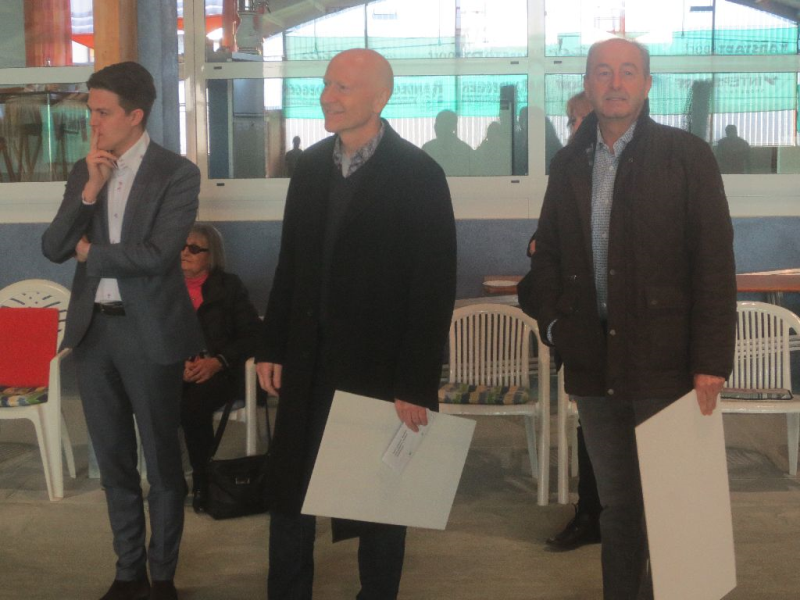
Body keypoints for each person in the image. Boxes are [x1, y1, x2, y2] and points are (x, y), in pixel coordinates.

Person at [526, 38, 736, 599]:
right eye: (602, 72)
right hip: (595, 365)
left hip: (668, 363)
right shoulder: (569, 162)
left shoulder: (686, 156)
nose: (614, 83)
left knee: (676, 504)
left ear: (646, 84)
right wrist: (557, 327)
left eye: (627, 72)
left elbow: (714, 264)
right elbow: (545, 257)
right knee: (618, 505)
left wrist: (711, 360)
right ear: (587, 84)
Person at [256, 48, 456, 600]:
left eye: (342, 87)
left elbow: (432, 288)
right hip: (307, 359)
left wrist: (415, 383)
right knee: (291, 497)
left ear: (380, 97)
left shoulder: (418, 175)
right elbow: (291, 264)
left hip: (377, 369)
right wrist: (272, 345)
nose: (328, 97)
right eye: (326, 85)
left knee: (377, 502)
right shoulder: (310, 168)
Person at [41, 61, 203, 600]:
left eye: (103, 113)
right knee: (112, 463)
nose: (93, 123)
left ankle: (163, 576)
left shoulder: (176, 173)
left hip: (149, 333)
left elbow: (158, 256)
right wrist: (89, 191)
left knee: (161, 464)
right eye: (91, 112)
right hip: (94, 335)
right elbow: (54, 247)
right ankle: (128, 571)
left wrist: (93, 252)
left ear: (135, 116)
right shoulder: (85, 169)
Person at [542, 90, 603, 552]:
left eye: (578, 119)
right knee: (591, 426)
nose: (573, 128)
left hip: (634, 332)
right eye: (570, 121)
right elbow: (547, 246)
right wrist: (556, 328)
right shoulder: (567, 168)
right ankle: (590, 514)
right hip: (584, 331)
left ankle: (623, 519)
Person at [179, 223, 262, 513]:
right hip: (178, 368)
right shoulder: (166, 286)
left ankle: (202, 480)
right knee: (158, 400)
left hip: (223, 370)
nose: (184, 252)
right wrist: (178, 364)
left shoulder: (229, 286)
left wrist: (218, 362)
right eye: (181, 246)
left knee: (193, 404)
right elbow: (154, 333)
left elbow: (253, 335)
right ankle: (171, 480)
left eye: (194, 248)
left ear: (211, 255)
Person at [421, 109, 473, 176]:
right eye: (437, 124)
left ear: (453, 127)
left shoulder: (465, 151)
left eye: (443, 125)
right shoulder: (427, 148)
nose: (437, 128)